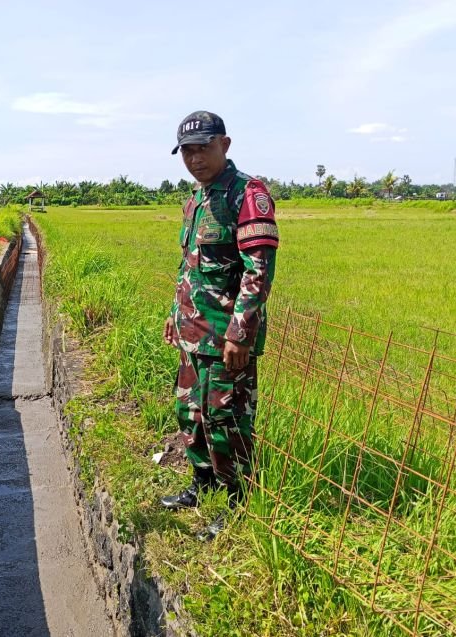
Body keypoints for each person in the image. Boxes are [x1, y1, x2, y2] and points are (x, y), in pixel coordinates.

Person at [160, 111, 279, 541]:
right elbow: (190, 266)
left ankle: (237, 502)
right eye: (187, 151)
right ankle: (203, 484)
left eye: (203, 148)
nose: (195, 158)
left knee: (227, 419)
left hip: (226, 338)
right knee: (190, 415)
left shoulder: (247, 194)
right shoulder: (198, 198)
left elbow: (258, 271)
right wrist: (176, 317)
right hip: (191, 332)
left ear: (224, 146)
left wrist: (240, 333)